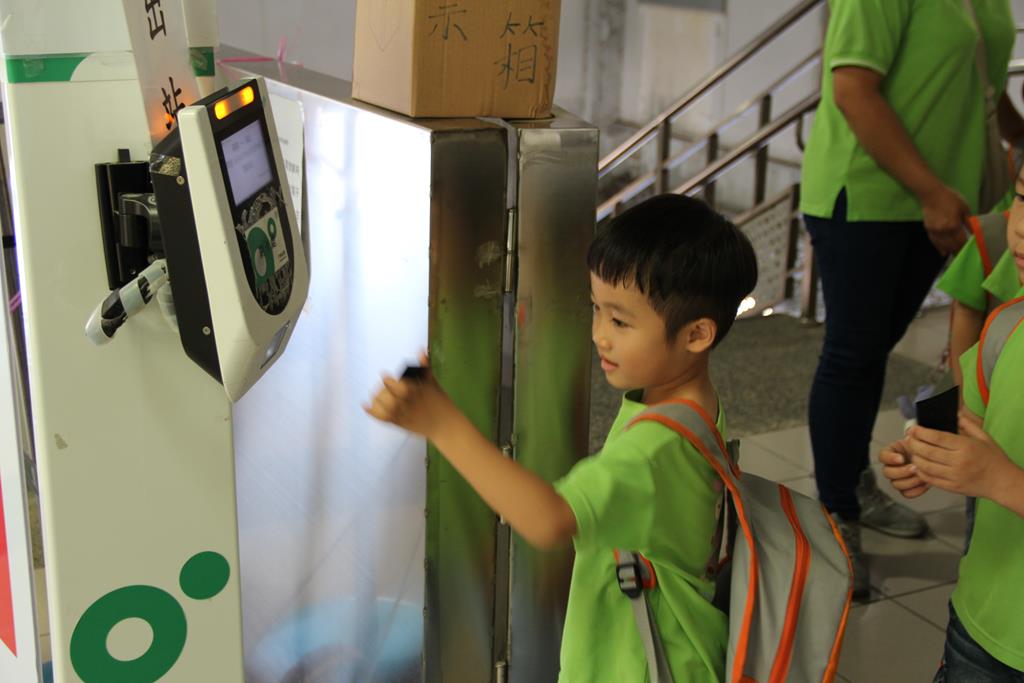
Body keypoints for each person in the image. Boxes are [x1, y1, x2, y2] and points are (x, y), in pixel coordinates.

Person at [365, 194, 758, 682]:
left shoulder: (653, 451)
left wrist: (441, 425)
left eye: (620, 321)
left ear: (696, 335)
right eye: (596, 309)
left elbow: (547, 520)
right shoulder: (693, 404)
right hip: (678, 652)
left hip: (639, 668)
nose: (599, 335)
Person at [798, 0, 1022, 598]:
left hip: (942, 198)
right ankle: (836, 515)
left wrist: (1019, 139)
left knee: (873, 350)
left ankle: (853, 482)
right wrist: (930, 192)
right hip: (872, 195)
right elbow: (854, 91)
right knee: (852, 355)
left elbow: (982, 82)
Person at [879, 180, 1024, 681]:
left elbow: (996, 473)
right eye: (1022, 198)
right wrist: (929, 455)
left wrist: (1001, 481)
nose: (1021, 228)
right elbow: (974, 431)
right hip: (980, 623)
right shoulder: (1006, 327)